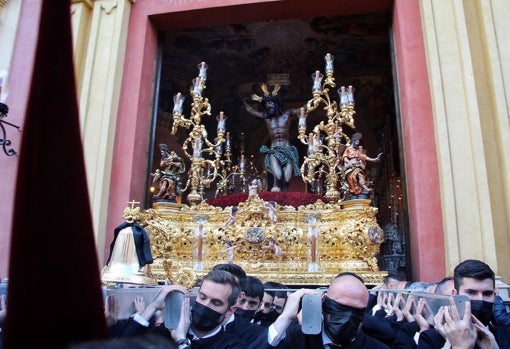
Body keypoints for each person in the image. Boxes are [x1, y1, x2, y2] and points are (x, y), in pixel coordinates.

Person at [120, 270, 249, 348]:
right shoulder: (166, 332)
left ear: (230, 311)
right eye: (202, 297)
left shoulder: (233, 345)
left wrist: (181, 341)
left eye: (216, 302)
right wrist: (153, 306)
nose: (205, 305)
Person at [272, 272, 390, 348]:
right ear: (323, 304)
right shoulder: (295, 339)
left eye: (355, 311)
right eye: (340, 309)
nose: (347, 319)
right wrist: (285, 318)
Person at [242, 83, 302, 192]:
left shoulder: (287, 114)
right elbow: (252, 111)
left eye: (271, 102)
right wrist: (243, 101)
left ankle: (286, 198)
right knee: (278, 177)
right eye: (267, 103)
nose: (269, 105)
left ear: (276, 103)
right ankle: (277, 194)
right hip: (274, 150)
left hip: (287, 149)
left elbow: (302, 109)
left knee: (287, 179)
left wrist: (315, 99)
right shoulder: (266, 117)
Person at [340, 133, 382, 199]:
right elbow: (344, 157)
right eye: (356, 142)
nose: (357, 144)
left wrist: (374, 159)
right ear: (353, 141)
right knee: (352, 179)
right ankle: (354, 189)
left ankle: (365, 188)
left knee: (360, 175)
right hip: (350, 168)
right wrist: (349, 162)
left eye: (358, 142)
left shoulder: (357, 151)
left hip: (357, 167)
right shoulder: (348, 149)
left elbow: (364, 157)